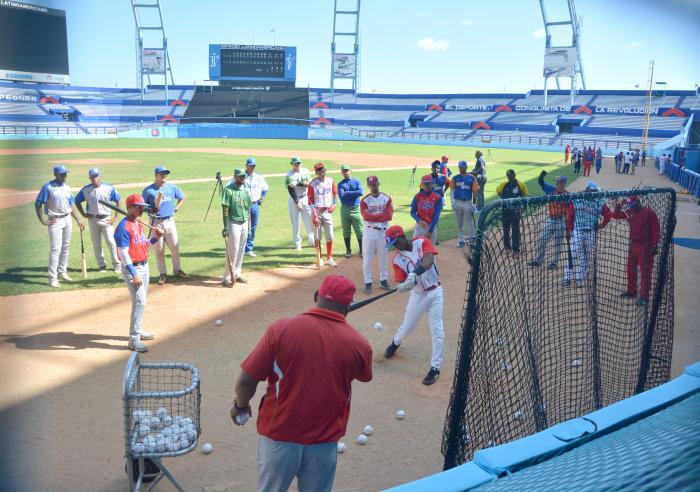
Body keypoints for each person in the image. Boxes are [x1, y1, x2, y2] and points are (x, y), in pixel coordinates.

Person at [229, 274, 372, 492]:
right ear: (349, 307)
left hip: (279, 438)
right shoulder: (359, 344)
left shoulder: (281, 329)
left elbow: (247, 381)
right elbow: (364, 375)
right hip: (324, 443)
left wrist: (240, 405)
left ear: (316, 296)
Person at [384, 225, 444, 386]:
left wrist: (414, 274)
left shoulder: (421, 242)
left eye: (397, 242)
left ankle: (435, 368)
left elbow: (429, 260)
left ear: (403, 236)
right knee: (407, 327)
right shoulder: (397, 259)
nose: (396, 247)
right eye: (393, 245)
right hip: (417, 296)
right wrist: (405, 285)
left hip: (436, 292)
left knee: (437, 330)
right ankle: (395, 343)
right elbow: (402, 280)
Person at [114, 194, 164, 352]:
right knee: (140, 302)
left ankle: (138, 330)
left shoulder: (139, 224)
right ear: (129, 208)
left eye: (142, 207)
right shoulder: (122, 228)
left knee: (140, 302)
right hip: (132, 269)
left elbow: (144, 244)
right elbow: (123, 254)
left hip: (144, 266)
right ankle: (133, 340)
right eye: (138, 207)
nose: (141, 209)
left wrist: (156, 237)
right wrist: (134, 273)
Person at [35, 164, 85, 288]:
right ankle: (52, 278)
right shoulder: (48, 187)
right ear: (55, 174)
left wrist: (78, 219)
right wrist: (43, 221)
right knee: (55, 249)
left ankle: (62, 272)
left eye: (66, 173)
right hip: (55, 221)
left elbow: (71, 205)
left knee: (66, 246)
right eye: (62, 173)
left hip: (67, 218)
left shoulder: (67, 188)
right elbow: (38, 204)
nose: (65, 175)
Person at [142, 166, 187, 285]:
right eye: (161, 174)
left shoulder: (172, 187)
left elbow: (182, 197)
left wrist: (176, 208)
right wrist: (150, 210)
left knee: (174, 247)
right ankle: (163, 274)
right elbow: (143, 206)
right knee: (159, 249)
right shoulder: (148, 190)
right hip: (156, 223)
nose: (164, 176)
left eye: (165, 174)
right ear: (156, 175)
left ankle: (177, 270)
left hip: (170, 221)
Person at [562, 181, 612, 287]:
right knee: (573, 253)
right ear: (588, 189)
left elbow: (608, 214)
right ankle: (567, 277)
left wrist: (602, 225)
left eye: (595, 191)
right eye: (593, 190)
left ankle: (580, 278)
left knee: (586, 255)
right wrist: (568, 231)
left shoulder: (600, 201)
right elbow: (569, 216)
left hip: (591, 232)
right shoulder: (577, 199)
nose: (594, 193)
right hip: (577, 231)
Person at [612, 195, 660, 306]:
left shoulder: (649, 212)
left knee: (645, 272)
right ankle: (631, 291)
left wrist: (654, 246)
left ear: (639, 203)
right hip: (633, 245)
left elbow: (656, 230)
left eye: (634, 205)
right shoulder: (630, 211)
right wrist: (620, 205)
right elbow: (615, 215)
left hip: (646, 246)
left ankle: (644, 296)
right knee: (631, 269)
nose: (632, 207)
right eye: (630, 206)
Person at [75, 168, 122, 273]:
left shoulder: (109, 188)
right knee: (96, 244)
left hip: (106, 219)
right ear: (89, 178)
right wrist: (83, 213)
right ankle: (101, 265)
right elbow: (76, 201)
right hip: (92, 220)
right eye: (92, 177)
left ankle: (117, 264)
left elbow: (118, 200)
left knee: (111, 242)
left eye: (95, 176)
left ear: (99, 176)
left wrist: (115, 217)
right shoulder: (86, 190)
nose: (94, 179)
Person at [360, 175, 393, 294]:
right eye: (371, 184)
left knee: (384, 257)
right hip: (369, 232)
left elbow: (389, 216)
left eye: (375, 183)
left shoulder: (387, 199)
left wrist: (374, 216)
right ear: (368, 186)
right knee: (367, 258)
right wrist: (380, 215)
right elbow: (366, 216)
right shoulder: (364, 201)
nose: (373, 186)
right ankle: (368, 282)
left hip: (383, 233)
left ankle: (383, 280)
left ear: (379, 183)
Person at [529, 172, 568, 269]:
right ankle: (539, 261)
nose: (557, 184)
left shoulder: (568, 195)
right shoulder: (551, 190)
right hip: (551, 220)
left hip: (561, 221)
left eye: (559, 182)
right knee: (542, 240)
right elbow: (541, 183)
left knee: (558, 243)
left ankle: (554, 263)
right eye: (556, 183)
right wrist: (541, 176)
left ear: (563, 183)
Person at [222, 169, 253, 286]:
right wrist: (225, 226)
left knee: (241, 249)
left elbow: (248, 210)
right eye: (240, 177)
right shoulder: (228, 190)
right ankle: (226, 277)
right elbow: (225, 210)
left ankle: (237, 273)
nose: (242, 178)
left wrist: (249, 228)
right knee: (232, 250)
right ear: (235, 177)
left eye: (243, 176)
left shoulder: (245, 191)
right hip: (233, 222)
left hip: (244, 222)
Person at [308, 162, 339, 267]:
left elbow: (335, 194)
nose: (322, 172)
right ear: (316, 172)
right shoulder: (312, 184)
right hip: (317, 211)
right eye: (319, 171)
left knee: (330, 236)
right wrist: (314, 215)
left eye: (323, 170)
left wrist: (334, 205)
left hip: (327, 212)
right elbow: (310, 201)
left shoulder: (331, 181)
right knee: (317, 236)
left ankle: (329, 258)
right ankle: (319, 258)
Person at [496, 169, 528, 256]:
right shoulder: (503, 185)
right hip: (505, 211)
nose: (510, 177)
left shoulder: (521, 185)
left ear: (514, 175)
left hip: (516, 212)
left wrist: (523, 207)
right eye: (508, 176)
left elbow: (525, 196)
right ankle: (507, 248)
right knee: (505, 230)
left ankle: (516, 250)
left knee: (515, 231)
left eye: (511, 175)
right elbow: (498, 192)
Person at [286, 157, 314, 251]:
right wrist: (297, 202)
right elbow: (290, 189)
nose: (297, 165)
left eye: (298, 163)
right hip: (294, 199)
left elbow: (310, 183)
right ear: (292, 164)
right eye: (295, 163)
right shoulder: (289, 175)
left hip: (305, 197)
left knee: (310, 219)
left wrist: (299, 183)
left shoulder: (305, 171)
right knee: (296, 222)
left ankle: (312, 240)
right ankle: (297, 243)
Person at [242, 158, 269, 257]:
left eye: (254, 166)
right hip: (243, 206)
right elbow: (230, 187)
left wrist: (262, 198)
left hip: (255, 205)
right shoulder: (241, 176)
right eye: (251, 165)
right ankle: (241, 248)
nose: (252, 167)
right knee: (242, 227)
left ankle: (248, 249)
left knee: (253, 227)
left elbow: (265, 188)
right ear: (246, 166)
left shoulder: (258, 177)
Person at [450, 160, 479, 247]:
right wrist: (452, 202)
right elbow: (452, 190)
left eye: (462, 167)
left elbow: (475, 191)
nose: (461, 168)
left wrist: (474, 204)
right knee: (460, 223)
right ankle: (461, 240)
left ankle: (471, 239)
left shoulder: (472, 178)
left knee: (470, 223)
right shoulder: (455, 178)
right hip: (458, 202)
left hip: (468, 202)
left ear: (466, 167)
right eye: (460, 167)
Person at [337, 164, 364, 258]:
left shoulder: (357, 181)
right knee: (346, 230)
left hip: (356, 209)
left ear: (350, 171)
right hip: (345, 209)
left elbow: (361, 192)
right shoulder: (340, 184)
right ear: (342, 173)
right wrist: (354, 194)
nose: (345, 172)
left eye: (347, 170)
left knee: (360, 230)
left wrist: (347, 192)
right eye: (344, 171)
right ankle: (348, 250)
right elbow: (341, 196)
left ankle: (362, 250)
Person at [410, 175, 443, 244]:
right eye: (425, 183)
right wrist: (419, 221)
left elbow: (436, 215)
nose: (427, 185)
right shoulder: (417, 196)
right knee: (415, 247)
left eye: (429, 183)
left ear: (432, 184)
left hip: (431, 226)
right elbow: (412, 212)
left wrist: (430, 230)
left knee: (430, 251)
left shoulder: (438, 198)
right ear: (422, 185)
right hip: (419, 226)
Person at [429, 160, 450, 234]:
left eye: (437, 168)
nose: (436, 169)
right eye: (434, 168)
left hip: (439, 201)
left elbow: (448, 183)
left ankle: (434, 235)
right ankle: (428, 234)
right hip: (429, 201)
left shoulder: (443, 177)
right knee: (429, 218)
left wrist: (444, 191)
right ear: (431, 168)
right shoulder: (428, 178)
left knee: (436, 219)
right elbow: (421, 190)